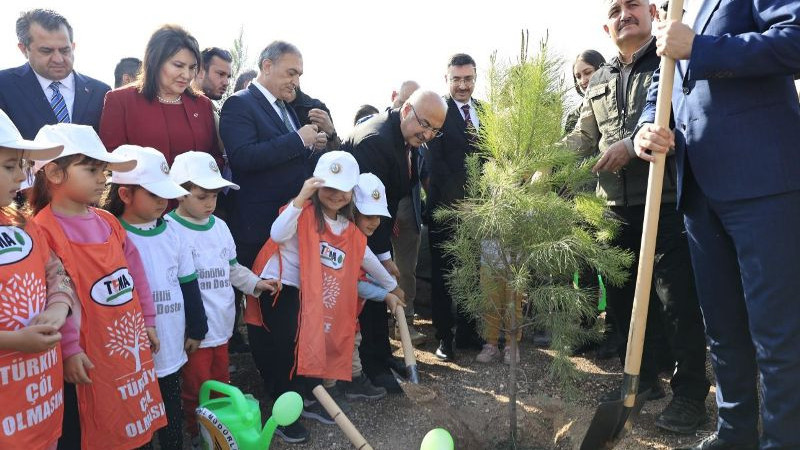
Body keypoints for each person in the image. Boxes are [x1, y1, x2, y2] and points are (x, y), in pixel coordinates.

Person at [634, 1, 800, 448]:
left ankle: (785, 440)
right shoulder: (676, 10)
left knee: (776, 333)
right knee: (723, 330)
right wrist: (646, 129)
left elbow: (794, 40)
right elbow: (662, 92)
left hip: (763, 185)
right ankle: (735, 433)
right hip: (698, 192)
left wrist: (701, 47)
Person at [562, 0, 709, 434]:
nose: (624, 13)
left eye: (633, 5)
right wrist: (542, 166)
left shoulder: (670, 60)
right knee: (624, 301)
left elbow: (682, 118)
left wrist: (630, 144)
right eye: (615, 9)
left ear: (651, 14)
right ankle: (642, 380)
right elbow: (582, 137)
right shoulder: (600, 78)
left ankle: (690, 395)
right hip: (614, 209)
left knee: (676, 301)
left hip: (663, 204)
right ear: (606, 27)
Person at [244, 152, 398, 443]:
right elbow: (277, 235)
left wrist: (390, 286)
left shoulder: (345, 227)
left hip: (310, 292)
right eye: (328, 187)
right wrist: (301, 198)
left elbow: (366, 257)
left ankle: (308, 396)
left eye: (343, 189)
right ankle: (284, 413)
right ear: (315, 185)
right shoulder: (300, 212)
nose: (335, 195)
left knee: (311, 340)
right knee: (287, 345)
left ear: (352, 192)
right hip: (280, 286)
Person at [29, 123, 166, 449]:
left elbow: (136, 277)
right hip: (86, 358)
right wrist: (69, 350)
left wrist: (147, 321)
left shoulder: (107, 222)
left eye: (103, 171)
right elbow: (51, 298)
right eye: (92, 170)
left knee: (130, 414)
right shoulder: (41, 230)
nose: (103, 178)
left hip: (123, 344)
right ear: (54, 173)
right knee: (91, 425)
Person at [163, 151, 277, 446]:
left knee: (220, 382)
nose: (210, 203)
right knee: (195, 387)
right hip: (194, 332)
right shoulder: (169, 229)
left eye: (214, 195)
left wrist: (256, 284)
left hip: (223, 325)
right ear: (179, 192)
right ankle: (196, 434)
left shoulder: (220, 227)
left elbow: (232, 269)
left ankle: (220, 435)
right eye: (202, 196)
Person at [103, 145, 207, 450]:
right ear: (124, 194)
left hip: (171, 341)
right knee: (136, 411)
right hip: (130, 349)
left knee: (171, 408)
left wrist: (197, 327)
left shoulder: (173, 232)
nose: (164, 201)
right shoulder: (110, 235)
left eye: (166, 193)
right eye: (154, 194)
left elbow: (188, 282)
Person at [341, 89, 447, 389]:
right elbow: (366, 210)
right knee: (368, 295)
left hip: (376, 228)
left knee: (379, 294)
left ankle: (383, 355)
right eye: (424, 124)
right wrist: (384, 262)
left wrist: (385, 258)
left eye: (434, 131)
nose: (427, 134)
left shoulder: (404, 137)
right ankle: (369, 368)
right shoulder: (376, 142)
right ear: (405, 110)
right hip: (355, 233)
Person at [219, 40, 327, 272]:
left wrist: (312, 146)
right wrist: (298, 140)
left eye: (299, 75)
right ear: (267, 66)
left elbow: (289, 159)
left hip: (289, 226)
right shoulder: (239, 103)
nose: (296, 82)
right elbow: (243, 157)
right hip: (256, 229)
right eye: (291, 73)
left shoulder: (286, 107)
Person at [0, 110, 73, 450]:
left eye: (22, 165)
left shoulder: (24, 224)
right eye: (9, 166)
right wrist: (12, 340)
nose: (20, 176)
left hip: (41, 400)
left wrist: (59, 308)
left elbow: (56, 273)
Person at [425, 54, 485, 361]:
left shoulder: (484, 112)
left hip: (479, 212)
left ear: (475, 78)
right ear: (446, 80)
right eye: (456, 79)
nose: (462, 86)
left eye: (468, 79)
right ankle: (444, 338)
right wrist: (460, 202)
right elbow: (435, 164)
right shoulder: (439, 111)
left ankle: (468, 331)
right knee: (445, 276)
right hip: (447, 211)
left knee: (472, 273)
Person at [99, 25, 223, 168]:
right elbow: (112, 161)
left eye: (192, 67)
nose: (187, 75)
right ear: (155, 61)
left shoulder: (203, 104)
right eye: (178, 65)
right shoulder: (121, 100)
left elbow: (214, 158)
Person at [0, 9, 110, 139]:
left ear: (73, 46)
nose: (58, 59)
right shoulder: (4, 87)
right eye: (46, 51)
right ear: (24, 49)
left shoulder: (101, 93)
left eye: (65, 50)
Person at [341, 173, 401, 401]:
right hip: (336, 312)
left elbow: (366, 275)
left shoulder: (356, 234)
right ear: (352, 209)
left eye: (378, 216)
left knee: (350, 343)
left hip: (348, 313)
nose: (375, 222)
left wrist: (388, 287)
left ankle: (347, 382)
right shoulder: (346, 237)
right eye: (368, 215)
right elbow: (355, 284)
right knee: (344, 346)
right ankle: (343, 386)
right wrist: (387, 293)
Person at [564, 50, 606, 134]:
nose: (583, 81)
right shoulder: (574, 116)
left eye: (587, 73)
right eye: (578, 77)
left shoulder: (617, 99)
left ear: (601, 70)